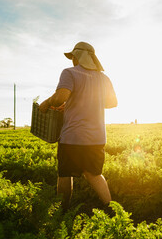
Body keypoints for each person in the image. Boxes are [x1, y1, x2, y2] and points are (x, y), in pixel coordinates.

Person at [39, 42, 117, 211]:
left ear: (79, 56)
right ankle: (112, 210)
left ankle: (63, 211)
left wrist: (46, 102)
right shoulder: (104, 78)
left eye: (73, 56)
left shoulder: (70, 73)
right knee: (94, 174)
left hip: (72, 136)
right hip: (97, 138)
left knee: (65, 174)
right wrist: (81, 102)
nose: (72, 60)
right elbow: (112, 103)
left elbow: (60, 98)